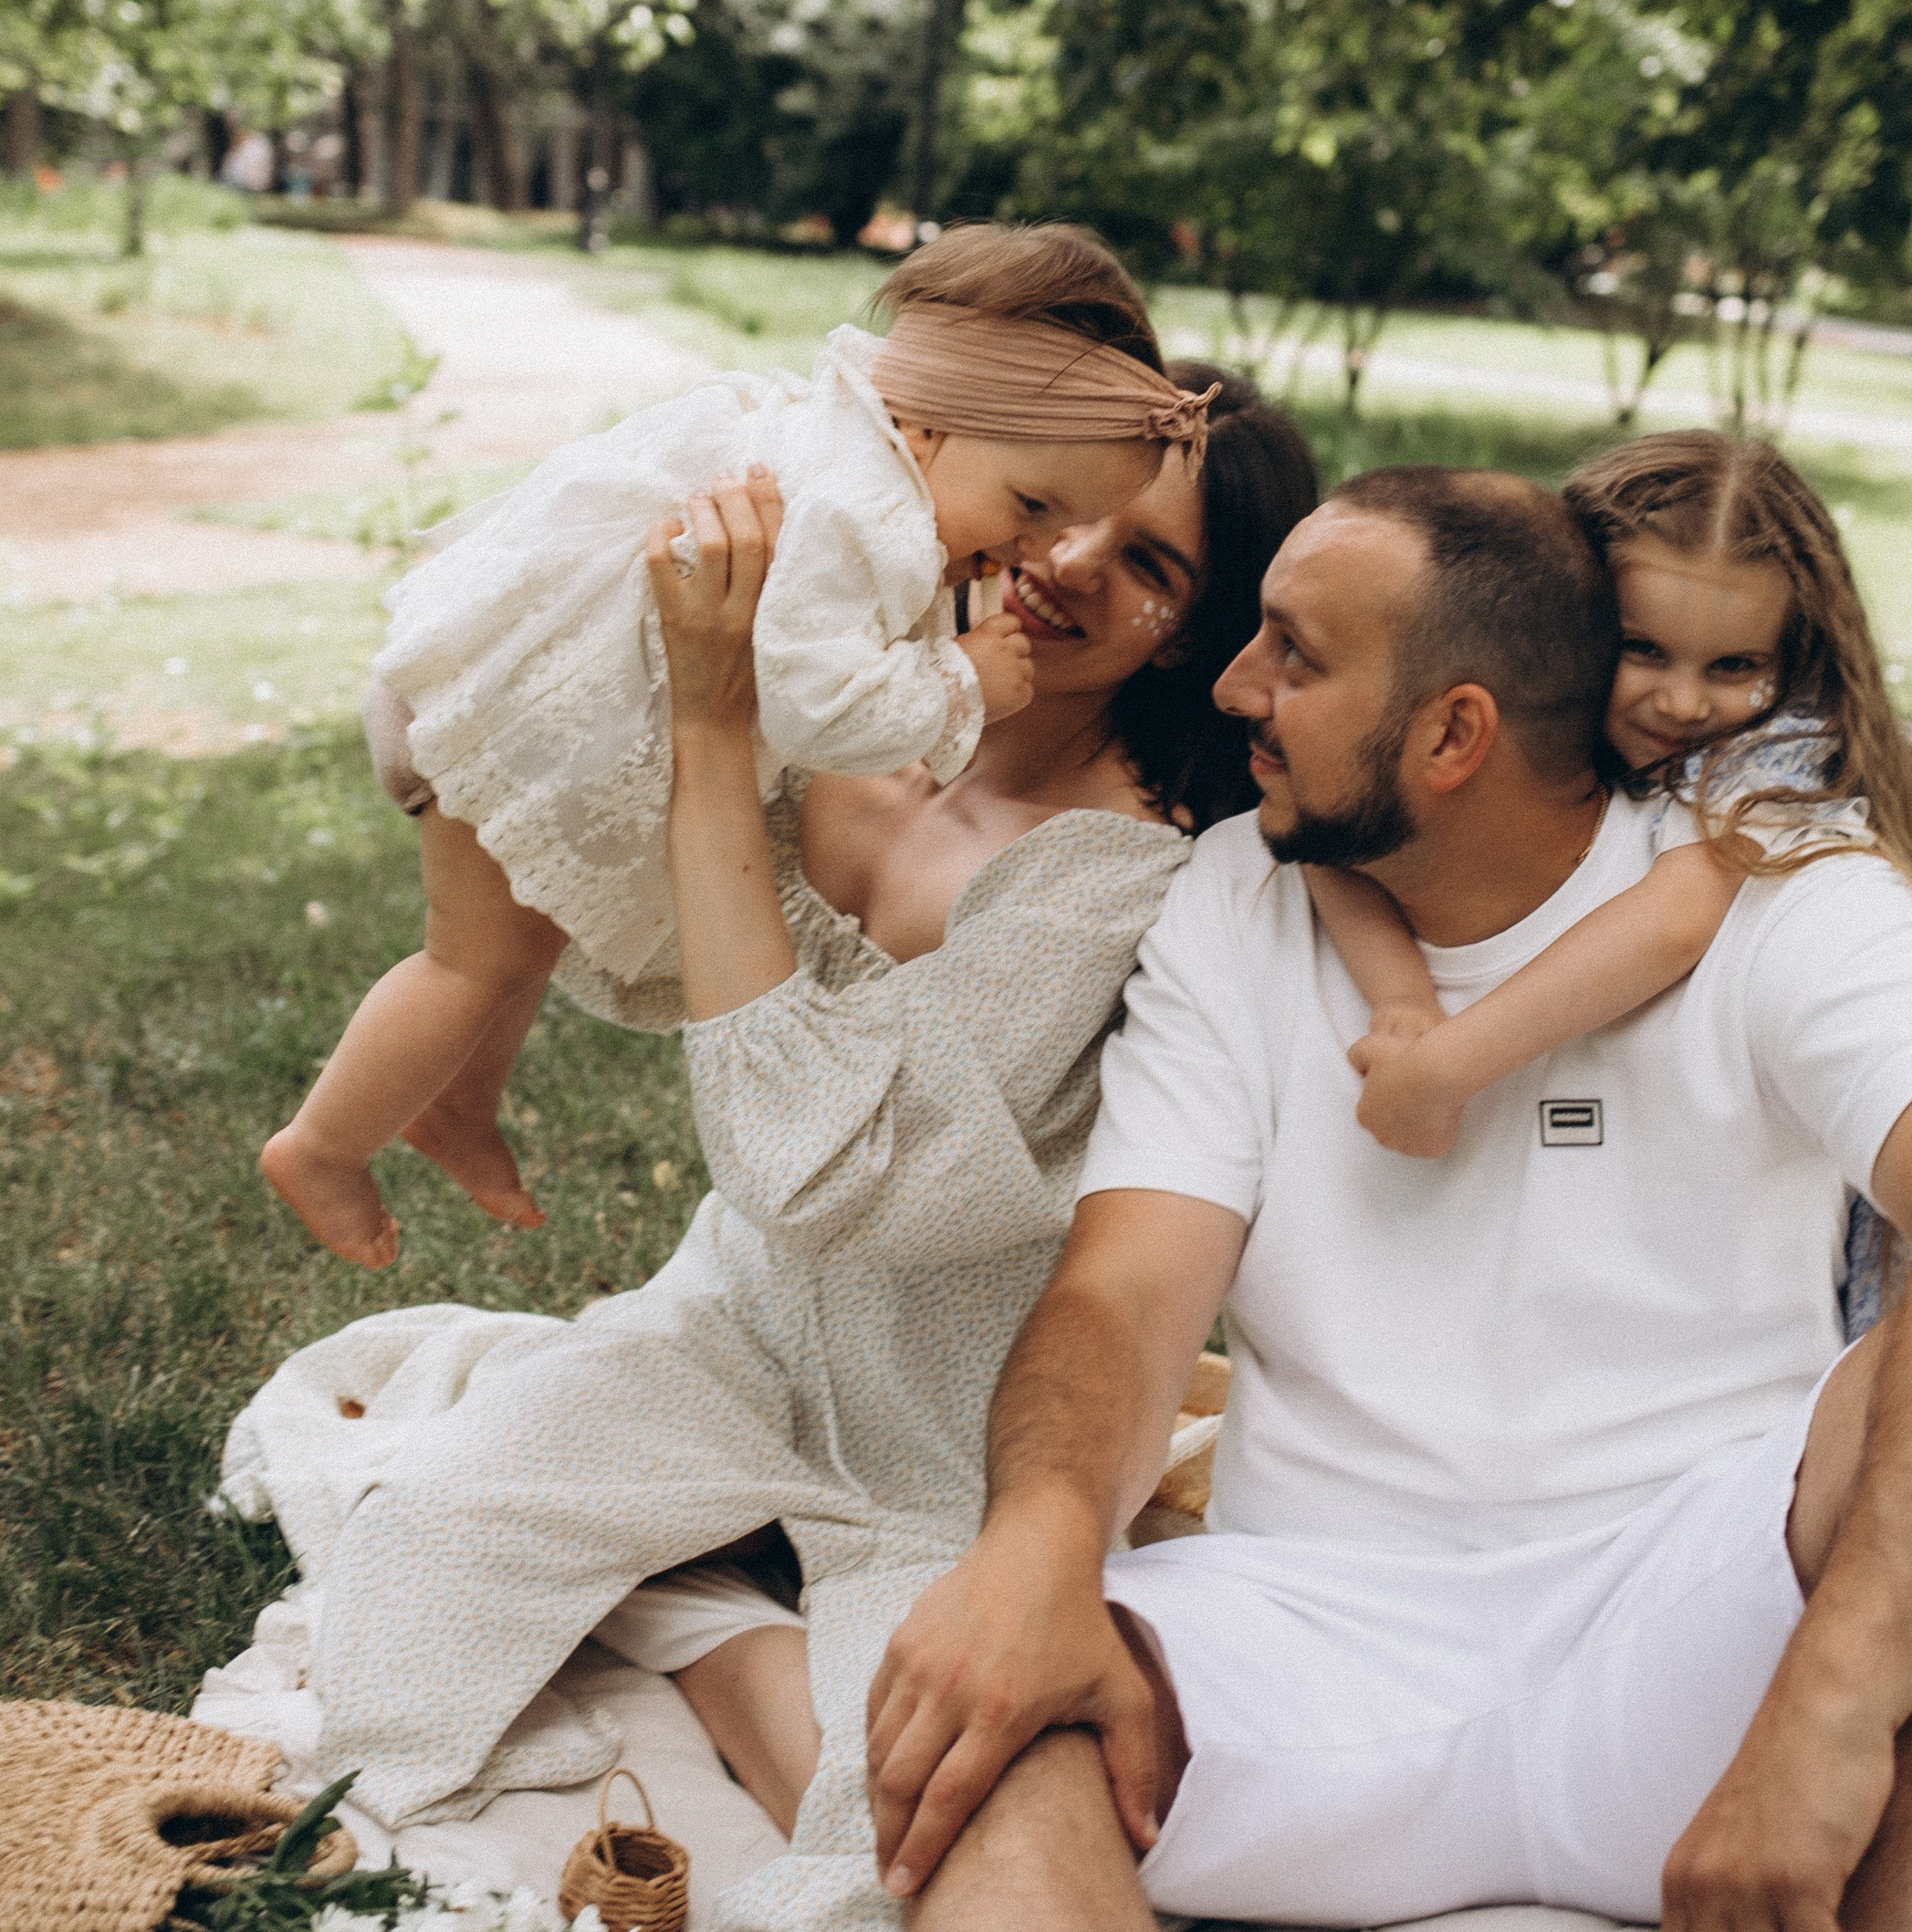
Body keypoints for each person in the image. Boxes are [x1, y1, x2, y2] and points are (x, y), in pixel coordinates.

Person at [861, 465, 1912, 1932]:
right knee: (988, 1727)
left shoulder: (1777, 890)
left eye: (1292, 657)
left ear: (1450, 731)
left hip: (1694, 1616)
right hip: (1326, 1624)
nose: (1231, 689)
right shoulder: (1237, 902)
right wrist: (1040, 1547)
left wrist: (1831, 1700)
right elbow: (1126, 1295)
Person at [227, 364, 1316, 1932]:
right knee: (414, 1574)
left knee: (906, 1838)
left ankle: (705, 1616)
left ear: (1192, 630)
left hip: (942, 1429)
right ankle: (700, 1576)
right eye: (1065, 506)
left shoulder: (1129, 867)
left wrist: (716, 726)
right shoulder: (841, 703)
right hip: (726, 1326)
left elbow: (817, 1173)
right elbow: (555, 779)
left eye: (1153, 564)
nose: (1079, 562)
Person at [261, 225, 1216, 1269]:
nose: (1037, 549)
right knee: (468, 964)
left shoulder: (844, 428)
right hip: (505, 732)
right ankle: (322, 1148)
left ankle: (454, 1109)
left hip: (511, 705)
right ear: (930, 424)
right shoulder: (869, 519)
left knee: (515, 949)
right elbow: (816, 707)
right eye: (1032, 508)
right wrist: (958, 681)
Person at [1316, 432, 1912, 1208]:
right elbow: (1323, 844)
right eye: (1642, 649)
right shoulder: (1538, 714)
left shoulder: (1788, 744)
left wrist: (1443, 1071)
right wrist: (1405, 1001)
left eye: (1733, 666)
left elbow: (1675, 922)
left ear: (1794, 659)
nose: (1682, 701)